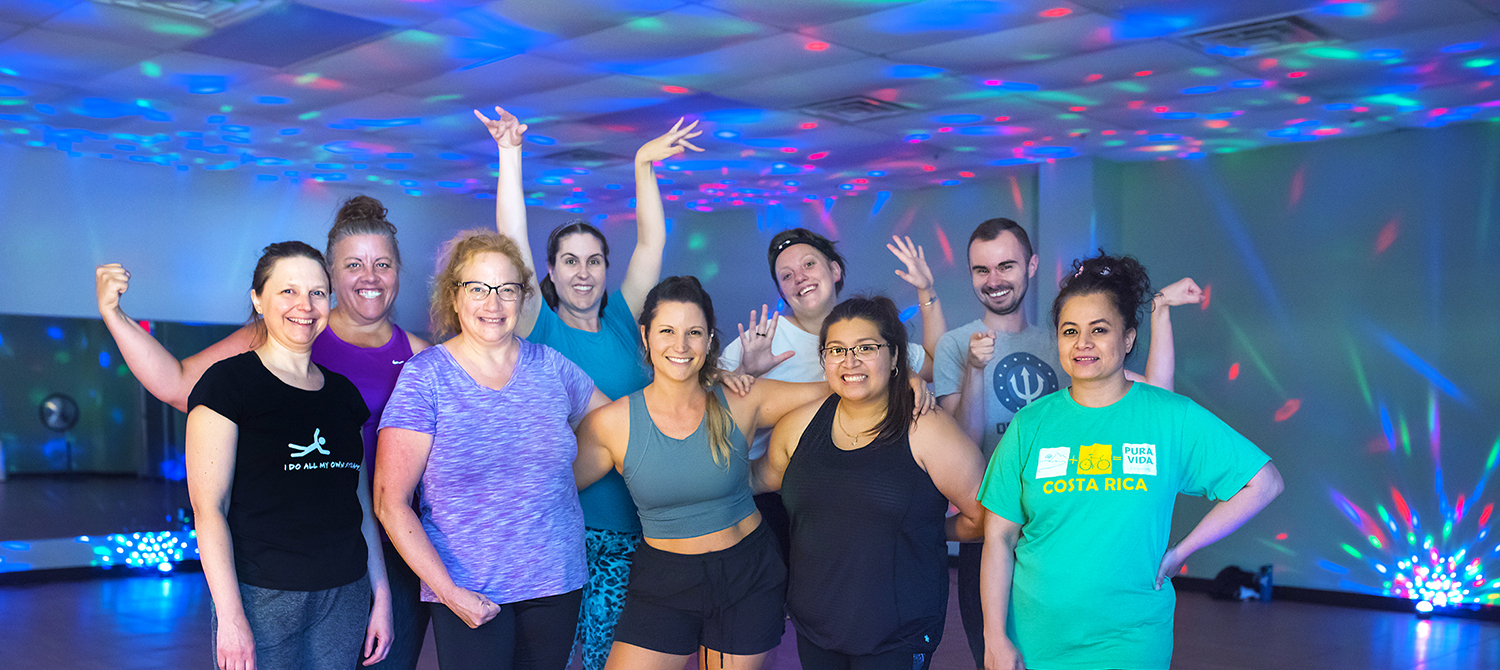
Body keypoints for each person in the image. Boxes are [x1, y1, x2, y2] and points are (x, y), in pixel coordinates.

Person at [95, 196, 433, 670]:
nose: (369, 276)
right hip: (268, 575)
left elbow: (372, 486)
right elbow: (177, 389)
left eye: (382, 263)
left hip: (367, 559)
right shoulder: (249, 360)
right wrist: (114, 315)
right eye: (354, 264)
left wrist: (384, 590)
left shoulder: (397, 368)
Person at [979, 253, 1284, 670]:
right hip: (1035, 638)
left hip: (1132, 637)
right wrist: (994, 638)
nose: (1083, 343)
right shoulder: (1030, 424)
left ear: (1127, 339)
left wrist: (1182, 551)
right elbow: (998, 537)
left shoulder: (1170, 416)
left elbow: (1264, 483)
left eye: (1099, 330)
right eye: (1070, 331)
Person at [476, 106, 700, 670]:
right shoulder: (538, 326)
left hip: (641, 528)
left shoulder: (629, 321)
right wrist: (510, 154)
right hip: (567, 530)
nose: (583, 272)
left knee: (630, 658)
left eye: (594, 261)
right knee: (574, 658)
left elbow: (653, 239)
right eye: (570, 261)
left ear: (606, 269)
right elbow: (511, 238)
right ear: (548, 274)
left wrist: (643, 163)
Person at [933, 217, 1200, 668]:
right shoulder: (958, 344)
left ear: (1031, 266)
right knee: (996, 654)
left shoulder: (1063, 336)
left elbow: (1157, 402)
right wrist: (974, 370)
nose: (995, 280)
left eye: (1006, 266)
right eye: (982, 270)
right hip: (992, 526)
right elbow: (963, 440)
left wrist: (1160, 310)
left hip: (1061, 517)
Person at [572, 276, 841, 670]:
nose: (680, 346)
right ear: (645, 336)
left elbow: (837, 390)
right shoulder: (610, 424)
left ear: (710, 339)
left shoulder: (742, 398)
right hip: (663, 579)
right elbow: (551, 488)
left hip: (746, 575)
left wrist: (905, 382)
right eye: (667, 331)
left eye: (693, 333)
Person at [375, 230, 610, 670]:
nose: (493, 303)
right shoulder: (426, 377)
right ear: (454, 296)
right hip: (468, 589)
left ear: (523, 297)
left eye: (507, 290)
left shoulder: (551, 367)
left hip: (555, 583)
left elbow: (622, 427)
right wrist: (448, 592)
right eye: (478, 289)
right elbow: (390, 503)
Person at [186, 241, 392, 670]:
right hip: (262, 597)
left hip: (345, 595)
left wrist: (382, 596)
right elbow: (208, 510)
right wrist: (230, 617)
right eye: (288, 291)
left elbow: (360, 508)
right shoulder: (227, 385)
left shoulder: (343, 395)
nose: (306, 305)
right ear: (258, 300)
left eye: (317, 292)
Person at [755, 295, 987, 670]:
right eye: (836, 350)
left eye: (866, 347)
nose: (850, 361)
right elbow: (755, 480)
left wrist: (927, 529)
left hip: (896, 634)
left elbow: (984, 516)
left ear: (895, 357)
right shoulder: (798, 426)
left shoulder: (926, 428)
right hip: (816, 627)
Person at [721, 227, 943, 561]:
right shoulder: (761, 338)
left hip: (842, 486)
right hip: (771, 491)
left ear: (835, 270)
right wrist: (743, 374)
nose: (800, 278)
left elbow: (933, 363)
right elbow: (703, 396)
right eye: (787, 275)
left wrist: (926, 291)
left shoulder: (863, 330)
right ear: (781, 288)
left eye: (809, 265)